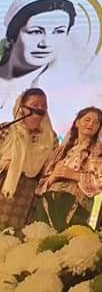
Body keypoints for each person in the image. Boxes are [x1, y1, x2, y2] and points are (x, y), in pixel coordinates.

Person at [32, 106, 102, 230]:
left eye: (96, 122)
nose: (91, 124)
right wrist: (53, 177)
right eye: (87, 120)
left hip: (76, 204)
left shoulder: (99, 149)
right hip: (49, 201)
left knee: (66, 237)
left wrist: (72, 174)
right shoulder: (61, 150)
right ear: (77, 122)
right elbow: (42, 183)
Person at [0, 0, 78, 118]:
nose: (46, 43)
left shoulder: (61, 96)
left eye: (59, 32)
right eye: (36, 32)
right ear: (12, 38)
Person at [0, 88, 57, 231]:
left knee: (14, 234)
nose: (39, 108)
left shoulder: (51, 138)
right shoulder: (6, 129)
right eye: (34, 104)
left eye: (43, 106)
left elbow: (50, 169)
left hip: (27, 194)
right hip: (4, 183)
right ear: (22, 108)